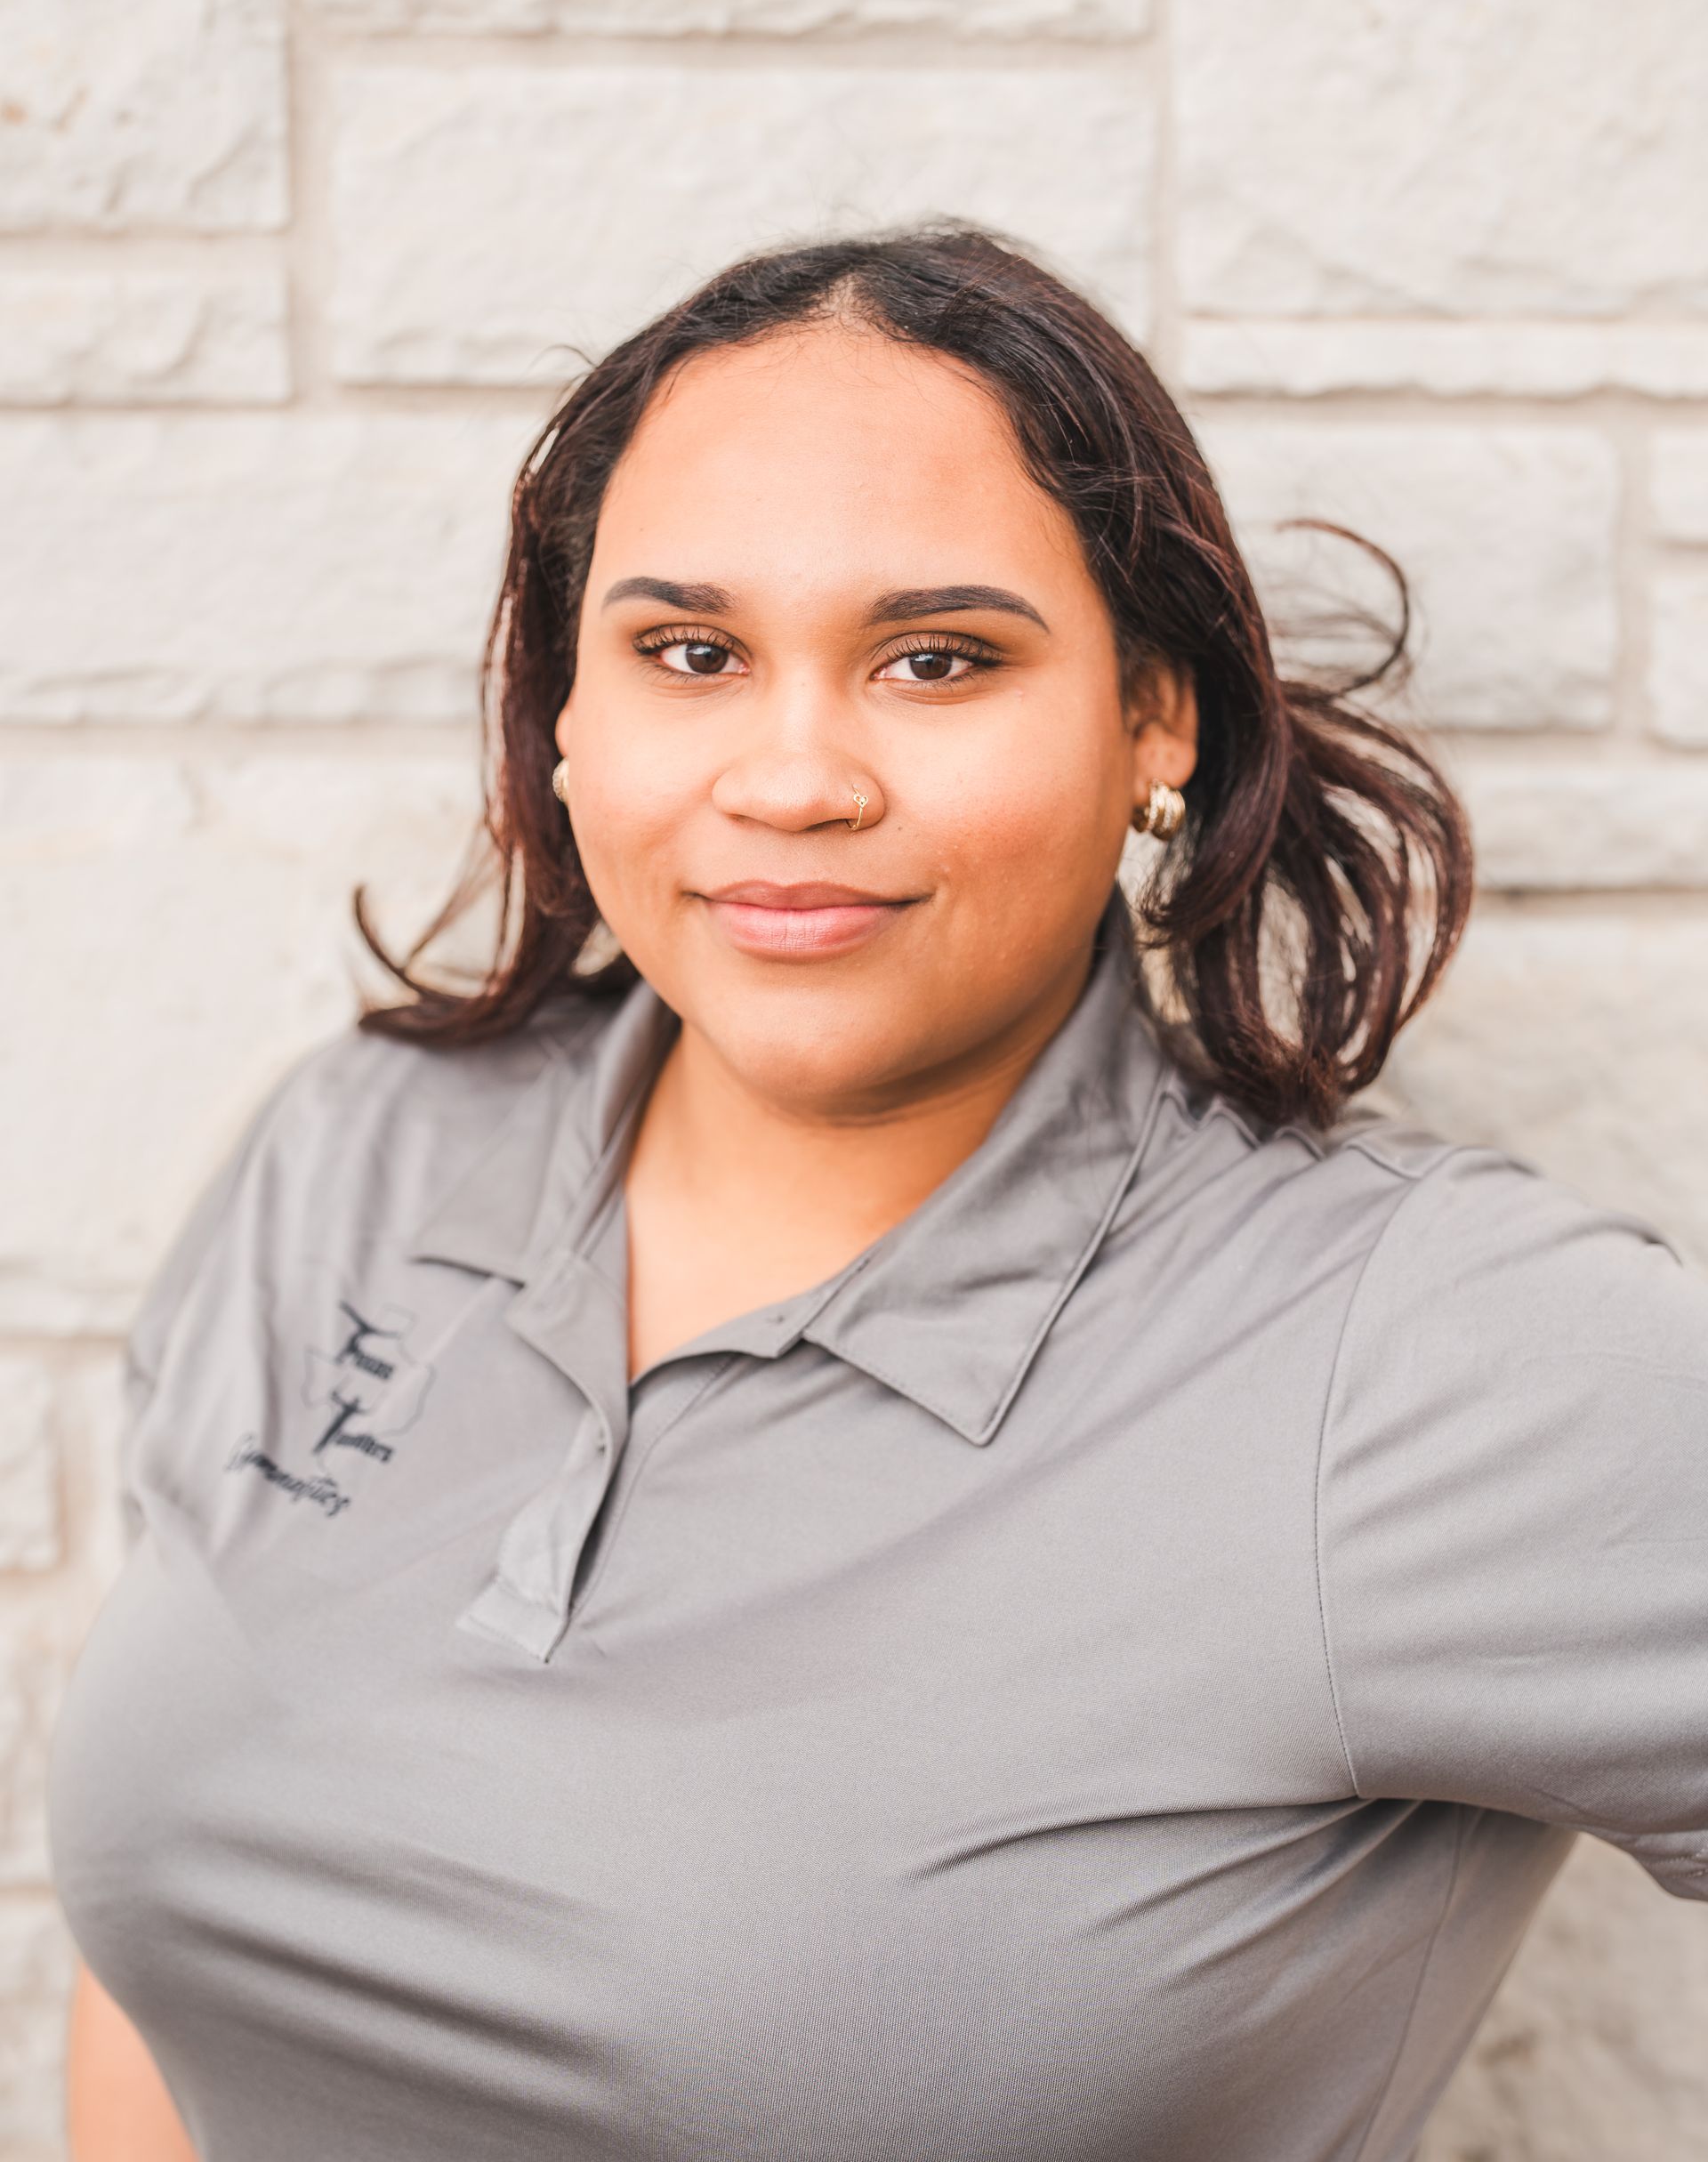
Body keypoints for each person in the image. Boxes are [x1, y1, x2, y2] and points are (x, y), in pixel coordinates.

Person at [49, 230, 1707, 2162]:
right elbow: (157, 1980)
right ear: (568, 708)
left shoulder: (1415, 1355)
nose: (798, 774)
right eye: (691, 653)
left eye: (937, 659)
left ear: (1151, 718)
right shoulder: (358, 1146)